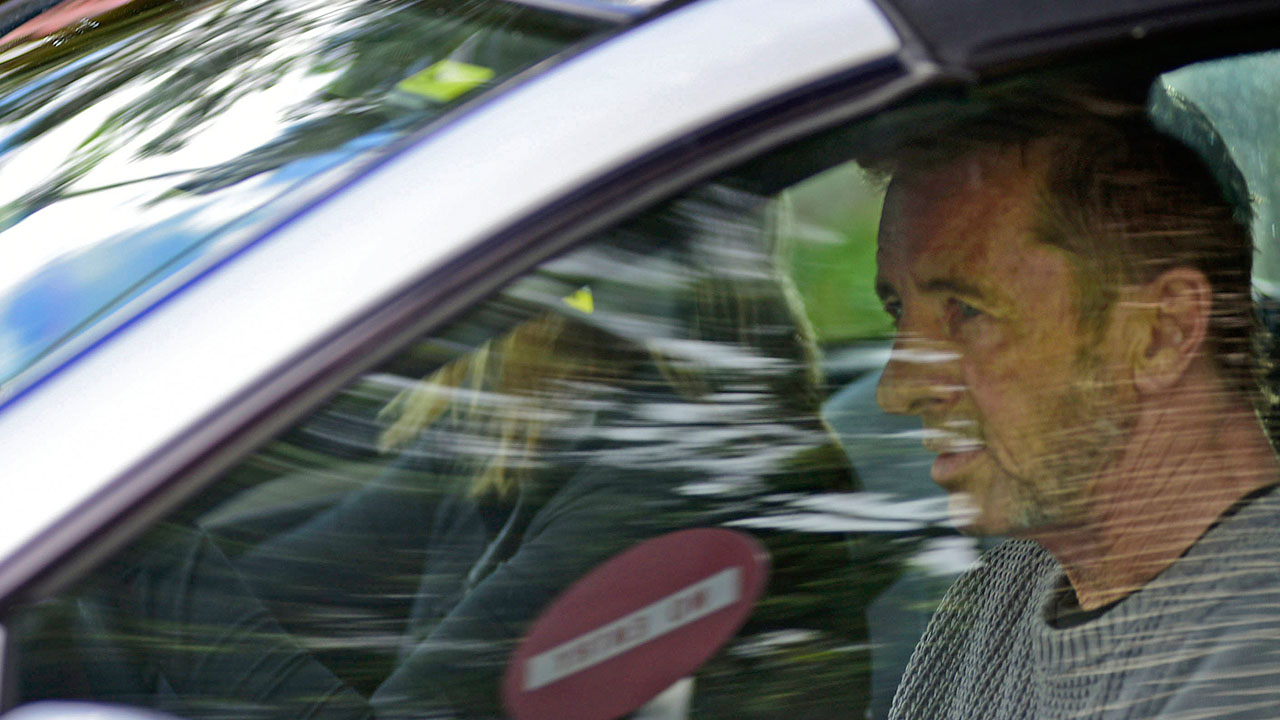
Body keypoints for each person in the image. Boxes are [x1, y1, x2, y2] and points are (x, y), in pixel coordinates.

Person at [873, 94, 1280, 718]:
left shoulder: (1254, 666)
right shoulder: (996, 602)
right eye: (898, 310)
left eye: (967, 310)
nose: (896, 389)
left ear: (1160, 333)